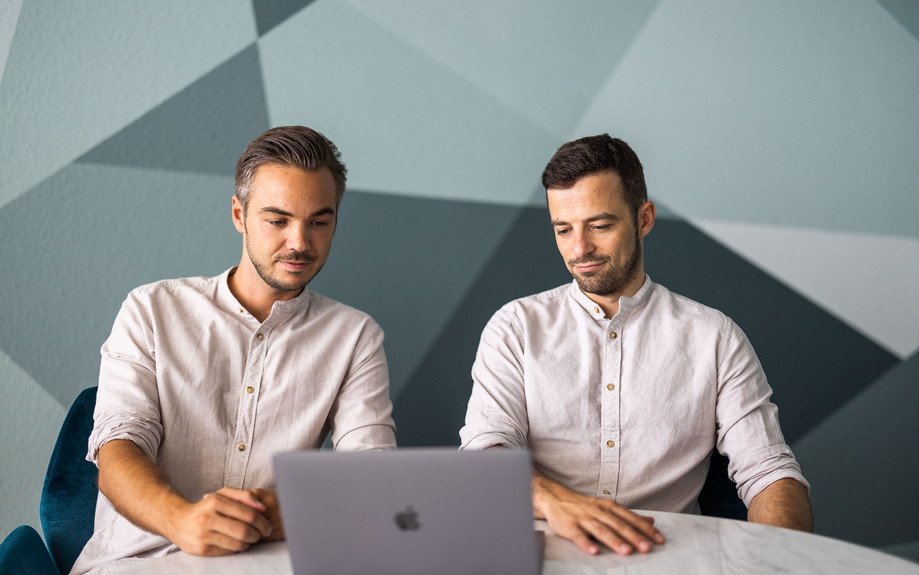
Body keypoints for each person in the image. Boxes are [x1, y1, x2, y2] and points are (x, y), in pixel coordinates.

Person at [459, 133, 811, 557]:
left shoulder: (714, 337)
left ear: (644, 218)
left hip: (667, 561)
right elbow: (484, 451)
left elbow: (770, 471)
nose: (579, 248)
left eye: (600, 225)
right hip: (541, 559)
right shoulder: (515, 328)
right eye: (563, 229)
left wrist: (782, 562)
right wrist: (558, 503)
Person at [71, 126, 396, 574]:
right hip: (142, 561)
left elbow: (372, 473)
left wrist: (299, 507)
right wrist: (181, 520)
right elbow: (118, 449)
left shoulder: (355, 335)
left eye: (319, 222)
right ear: (239, 215)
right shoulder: (151, 309)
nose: (300, 242)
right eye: (278, 220)